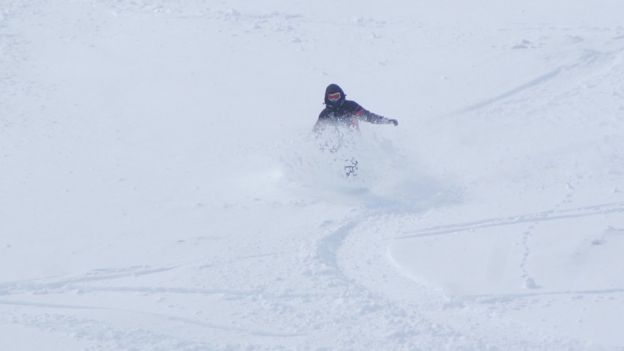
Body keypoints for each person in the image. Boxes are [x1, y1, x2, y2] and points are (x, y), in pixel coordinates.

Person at [313, 84, 398, 133]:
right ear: (327, 98)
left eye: (336, 96)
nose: (335, 100)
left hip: (352, 143)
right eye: (332, 97)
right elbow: (316, 132)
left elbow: (368, 116)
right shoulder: (325, 114)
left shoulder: (351, 107)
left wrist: (387, 121)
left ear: (341, 95)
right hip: (334, 148)